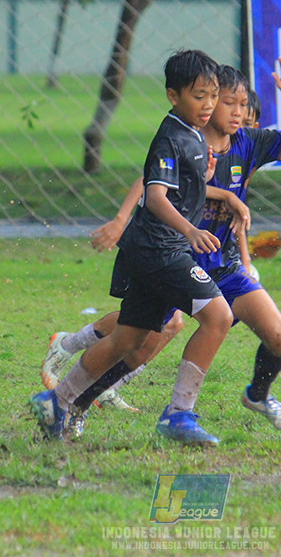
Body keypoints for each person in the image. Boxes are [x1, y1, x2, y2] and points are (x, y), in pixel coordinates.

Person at [43, 59, 281, 437]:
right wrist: (122, 219)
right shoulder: (186, 137)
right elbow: (151, 182)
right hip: (176, 256)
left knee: (278, 336)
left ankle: (257, 396)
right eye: (226, 102)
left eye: (241, 104)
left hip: (220, 264)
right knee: (138, 343)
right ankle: (79, 399)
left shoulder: (247, 143)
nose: (236, 112)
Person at [29, 49, 233, 446]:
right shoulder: (171, 137)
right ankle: (178, 414)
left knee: (127, 340)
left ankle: (58, 401)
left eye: (213, 95)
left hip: (150, 250)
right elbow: (155, 197)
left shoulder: (192, 132)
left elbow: (178, 187)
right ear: (173, 96)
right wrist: (190, 230)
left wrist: (202, 175)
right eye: (199, 96)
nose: (208, 104)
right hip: (162, 250)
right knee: (219, 317)